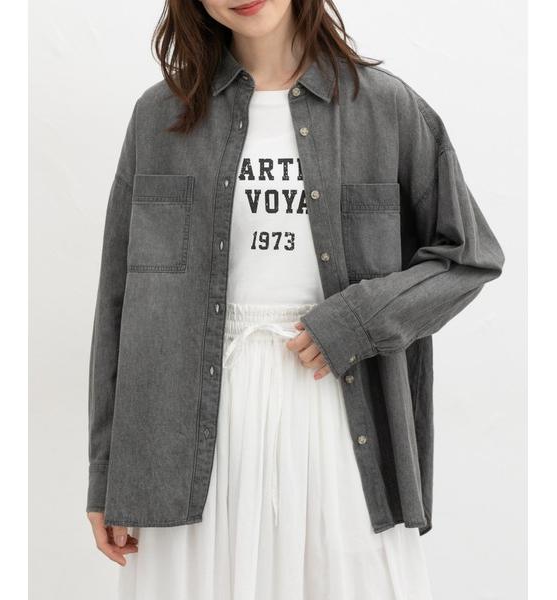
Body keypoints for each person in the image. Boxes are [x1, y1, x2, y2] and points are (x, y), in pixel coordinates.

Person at [86, 1, 505, 599]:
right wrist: (106, 475)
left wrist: (358, 321)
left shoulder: (385, 108)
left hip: (338, 405)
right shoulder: (160, 116)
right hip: (188, 428)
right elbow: (119, 301)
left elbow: (469, 255)